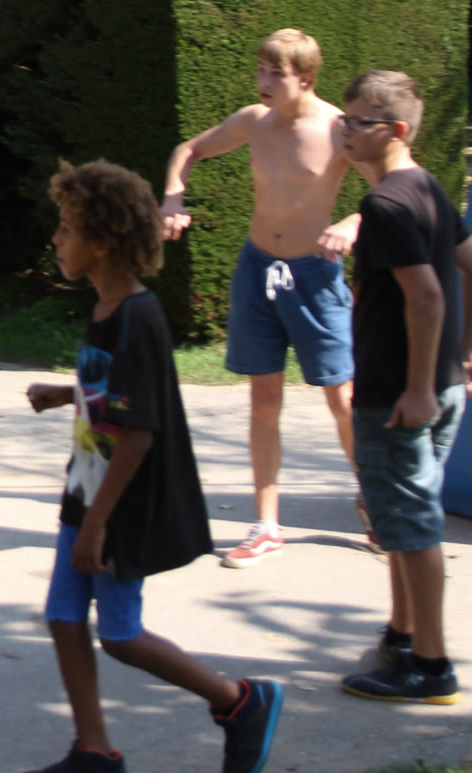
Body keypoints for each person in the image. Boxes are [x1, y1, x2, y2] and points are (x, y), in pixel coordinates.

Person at [24, 160, 282, 773]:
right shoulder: (107, 308)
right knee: (63, 618)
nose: (56, 239)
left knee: (120, 634)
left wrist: (97, 525)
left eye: (67, 228)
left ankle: (239, 701)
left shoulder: (136, 317)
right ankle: (94, 751)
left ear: (102, 243)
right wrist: (68, 394)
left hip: (120, 504)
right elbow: (119, 394)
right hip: (86, 487)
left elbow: (139, 433)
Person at [160, 28, 364, 566]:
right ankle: (266, 525)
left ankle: (375, 497)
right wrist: (172, 198)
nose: (264, 81)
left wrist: (352, 222)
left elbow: (391, 188)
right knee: (263, 398)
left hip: (315, 277)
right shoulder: (255, 120)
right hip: (257, 270)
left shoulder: (339, 130)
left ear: (307, 78)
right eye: (261, 70)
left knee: (341, 400)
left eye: (276, 73)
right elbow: (189, 150)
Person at [335, 70, 472, 705]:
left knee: (414, 524)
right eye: (344, 118)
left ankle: (430, 666)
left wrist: (419, 387)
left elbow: (427, 297)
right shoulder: (425, 185)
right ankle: (402, 635)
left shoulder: (386, 205)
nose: (345, 130)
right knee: (399, 519)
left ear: (396, 131)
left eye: (359, 122)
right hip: (437, 386)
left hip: (402, 395)